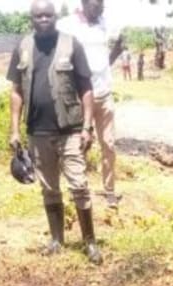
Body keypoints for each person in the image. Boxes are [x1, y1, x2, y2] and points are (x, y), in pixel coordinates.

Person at [8, 0, 102, 264]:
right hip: (37, 131)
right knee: (49, 188)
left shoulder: (71, 44)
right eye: (38, 16)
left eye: (48, 15)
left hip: (70, 129)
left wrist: (87, 127)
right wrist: (14, 129)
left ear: (55, 17)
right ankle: (57, 240)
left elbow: (86, 88)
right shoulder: (22, 47)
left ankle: (90, 242)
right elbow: (16, 91)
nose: (44, 20)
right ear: (31, 19)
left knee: (79, 185)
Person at [57, 0, 123, 209]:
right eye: (98, 4)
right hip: (80, 95)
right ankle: (78, 188)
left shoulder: (104, 23)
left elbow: (105, 58)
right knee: (79, 144)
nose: (102, 8)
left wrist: (117, 51)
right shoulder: (67, 25)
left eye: (103, 4)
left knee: (109, 144)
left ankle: (109, 190)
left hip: (104, 94)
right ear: (85, 4)